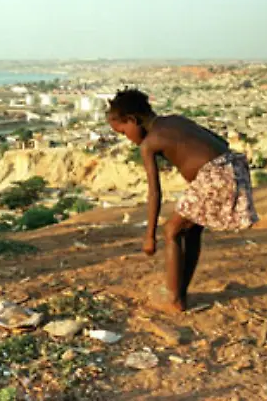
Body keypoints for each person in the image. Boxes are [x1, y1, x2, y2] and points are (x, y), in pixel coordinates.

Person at [106, 88, 258, 314]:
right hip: (232, 165)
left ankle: (174, 299)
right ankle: (181, 293)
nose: (127, 139)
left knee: (172, 231)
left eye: (123, 132)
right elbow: (219, 140)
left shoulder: (149, 144)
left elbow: (154, 192)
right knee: (192, 231)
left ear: (133, 120)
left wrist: (149, 237)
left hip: (214, 175)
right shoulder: (175, 120)